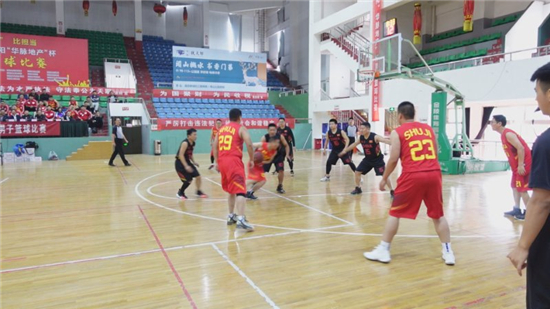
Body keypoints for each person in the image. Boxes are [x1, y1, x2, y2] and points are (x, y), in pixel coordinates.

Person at [364, 101, 455, 265]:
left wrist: (384, 178)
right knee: (438, 215)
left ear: (399, 115)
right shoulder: (428, 129)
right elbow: (434, 153)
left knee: (395, 213)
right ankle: (448, 252)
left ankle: (384, 250)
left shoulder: (398, 132)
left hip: (413, 175)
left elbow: (393, 159)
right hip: (434, 173)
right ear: (414, 114)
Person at [508, 63, 550, 308]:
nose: (536, 97)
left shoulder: (545, 143)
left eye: (537, 91)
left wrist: (523, 246)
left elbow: (543, 200)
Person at [213, 108, 255, 231]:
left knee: (231, 190)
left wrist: (216, 162)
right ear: (239, 117)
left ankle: (231, 215)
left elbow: (215, 147)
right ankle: (241, 219)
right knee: (241, 190)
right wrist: (252, 159)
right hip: (233, 161)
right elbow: (249, 144)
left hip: (222, 161)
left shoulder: (221, 130)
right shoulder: (241, 128)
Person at [490, 115, 532, 220]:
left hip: (523, 164)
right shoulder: (503, 134)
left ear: (499, 124)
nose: (491, 124)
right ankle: (516, 209)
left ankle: (530, 214)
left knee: (522, 188)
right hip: (516, 166)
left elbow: (521, 148)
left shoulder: (508, 134)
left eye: (493, 122)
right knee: (514, 186)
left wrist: (521, 165)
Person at [340, 121, 394, 196]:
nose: (361, 130)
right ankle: (358, 188)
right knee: (357, 172)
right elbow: (354, 144)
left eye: (362, 128)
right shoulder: (361, 138)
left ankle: (392, 190)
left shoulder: (375, 137)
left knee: (384, 175)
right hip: (367, 159)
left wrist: (395, 143)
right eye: (360, 128)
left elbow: (385, 140)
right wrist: (345, 150)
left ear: (368, 129)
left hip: (378, 160)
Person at [175, 128, 208, 200]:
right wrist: (186, 166)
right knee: (188, 180)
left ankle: (198, 191)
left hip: (187, 162)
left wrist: (194, 162)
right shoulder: (185, 143)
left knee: (198, 176)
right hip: (180, 163)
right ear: (189, 136)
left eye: (196, 134)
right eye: (194, 135)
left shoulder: (193, 143)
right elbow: (181, 155)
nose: (196, 136)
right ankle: (180, 192)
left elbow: (190, 153)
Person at [261, 123, 291, 193]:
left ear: (276, 130)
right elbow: (260, 148)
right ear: (267, 130)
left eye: (274, 130)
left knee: (281, 170)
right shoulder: (265, 137)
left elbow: (286, 145)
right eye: (271, 130)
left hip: (278, 156)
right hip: (267, 156)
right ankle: (255, 182)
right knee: (261, 171)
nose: (272, 131)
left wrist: (287, 154)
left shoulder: (280, 136)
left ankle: (280, 186)